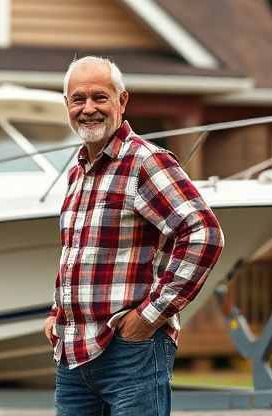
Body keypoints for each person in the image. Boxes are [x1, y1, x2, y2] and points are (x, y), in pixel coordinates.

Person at [44, 56, 225, 416]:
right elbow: (77, 252)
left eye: (100, 97)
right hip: (73, 356)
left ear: (122, 102)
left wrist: (150, 316)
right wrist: (56, 311)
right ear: (67, 105)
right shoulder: (78, 172)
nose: (88, 108)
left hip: (130, 352)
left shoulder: (145, 162)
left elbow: (203, 233)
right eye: (78, 99)